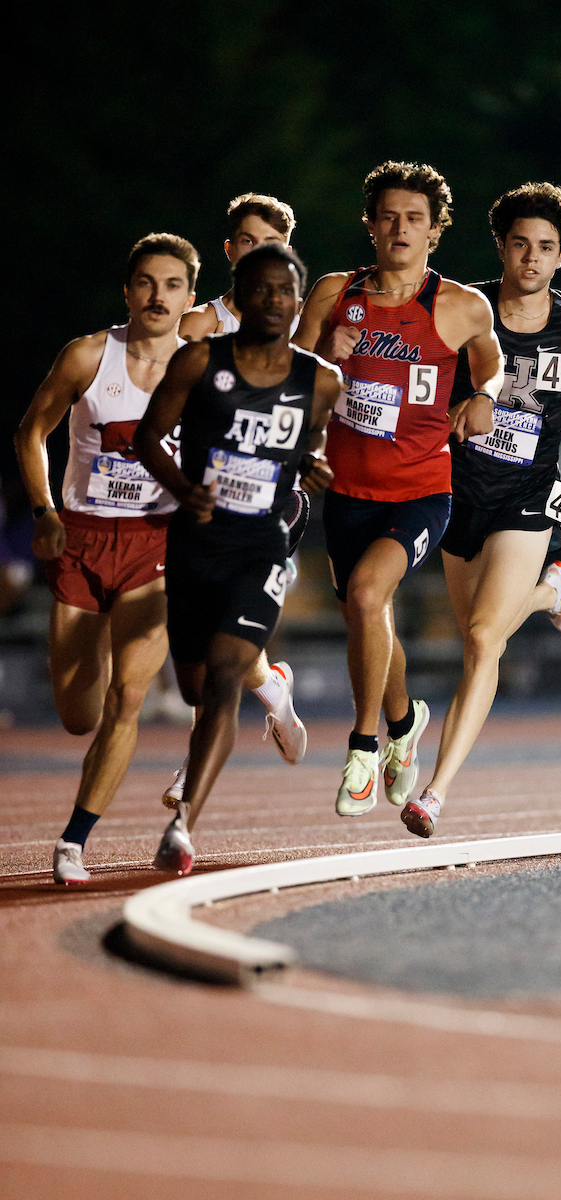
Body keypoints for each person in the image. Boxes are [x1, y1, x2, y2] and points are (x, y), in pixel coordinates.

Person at [404, 182, 561, 837]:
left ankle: (435, 794)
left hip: (527, 498)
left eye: (547, 248)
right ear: (502, 247)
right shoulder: (464, 310)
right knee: (481, 633)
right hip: (458, 493)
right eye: (521, 245)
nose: (532, 258)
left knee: (481, 640)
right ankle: (550, 592)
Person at [294, 160, 504, 820]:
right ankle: (406, 718)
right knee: (367, 613)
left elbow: (492, 361)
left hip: (420, 490)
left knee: (366, 594)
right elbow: (295, 377)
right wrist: (330, 350)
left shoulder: (461, 304)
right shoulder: (334, 292)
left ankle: (364, 749)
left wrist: (484, 397)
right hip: (348, 489)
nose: (400, 229)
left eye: (415, 219)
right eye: (388, 217)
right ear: (371, 225)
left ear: (435, 232)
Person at [134, 244, 341, 875]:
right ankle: (270, 684)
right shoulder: (200, 361)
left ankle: (183, 824)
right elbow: (146, 437)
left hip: (261, 546)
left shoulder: (320, 381)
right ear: (238, 298)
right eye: (260, 290)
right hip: (196, 544)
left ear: (298, 302)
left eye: (285, 292)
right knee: (197, 687)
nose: (273, 302)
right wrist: (182, 489)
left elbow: (306, 448)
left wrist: (307, 465)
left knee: (223, 680)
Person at [14, 234, 199, 884]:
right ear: (129, 292)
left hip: (156, 545)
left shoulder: (200, 370)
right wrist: (44, 511)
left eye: (172, 285)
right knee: (78, 716)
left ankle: (73, 842)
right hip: (83, 539)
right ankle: (99, 646)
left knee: (128, 698)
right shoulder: (90, 355)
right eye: (146, 283)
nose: (158, 296)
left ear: (189, 296)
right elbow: (30, 431)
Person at [162, 192, 311, 810]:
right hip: (198, 500)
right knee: (212, 640)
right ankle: (272, 685)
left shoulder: (296, 328)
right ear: (229, 251)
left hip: (273, 503)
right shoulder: (197, 328)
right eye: (247, 243)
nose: (259, 256)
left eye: (271, 246)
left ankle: (189, 772)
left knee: (226, 630)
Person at [179, 193, 296, 340]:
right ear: (230, 249)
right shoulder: (197, 325)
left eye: (271, 243)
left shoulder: (304, 324)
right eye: (247, 241)